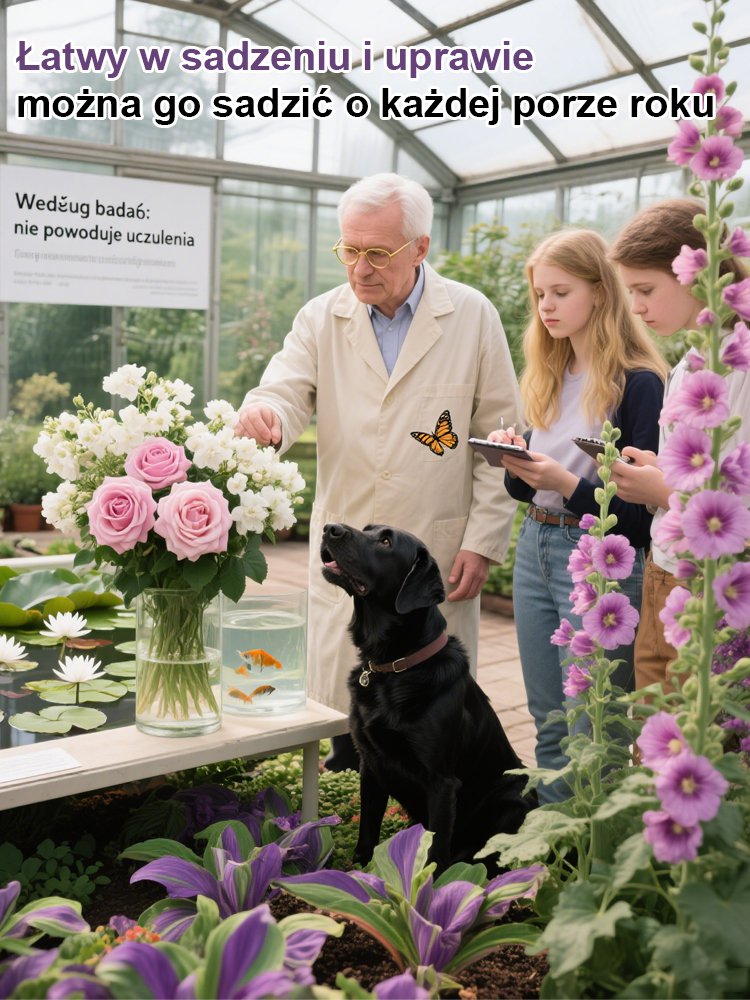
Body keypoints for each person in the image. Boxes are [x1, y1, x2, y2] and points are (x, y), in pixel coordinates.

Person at [236, 172, 521, 770]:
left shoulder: (471, 315)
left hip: (427, 560)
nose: (359, 269)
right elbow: (284, 390)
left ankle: (423, 847)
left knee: (426, 725)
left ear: (420, 248)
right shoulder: (321, 317)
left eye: (377, 253)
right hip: (349, 559)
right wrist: (266, 414)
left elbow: (500, 442)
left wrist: (484, 540)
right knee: (344, 720)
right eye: (348, 250)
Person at [488, 228, 668, 802]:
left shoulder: (640, 385)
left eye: (561, 293)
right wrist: (516, 463)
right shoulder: (549, 376)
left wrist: (567, 484)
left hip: (600, 561)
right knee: (548, 719)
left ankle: (594, 865)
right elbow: (530, 495)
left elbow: (640, 519)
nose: (546, 308)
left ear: (601, 291)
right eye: (540, 295)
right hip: (535, 549)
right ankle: (553, 861)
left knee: (598, 725)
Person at [609, 198, 750, 693]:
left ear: (696, 270)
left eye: (645, 289)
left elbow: (740, 501)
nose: (636, 307)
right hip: (663, 567)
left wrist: (666, 490)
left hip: (713, 583)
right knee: (653, 725)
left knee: (694, 733)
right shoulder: (690, 360)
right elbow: (691, 464)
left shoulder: (740, 364)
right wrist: (657, 471)